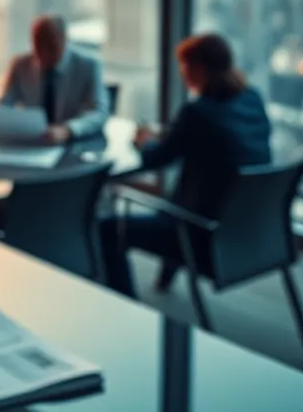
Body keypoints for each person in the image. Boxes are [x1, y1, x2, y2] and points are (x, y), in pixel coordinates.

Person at [99, 33, 272, 297]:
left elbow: (154, 160)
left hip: (200, 235)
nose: (182, 73)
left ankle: (128, 305)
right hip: (247, 232)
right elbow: (212, 140)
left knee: (107, 230)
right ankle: (165, 279)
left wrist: (143, 142)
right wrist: (174, 133)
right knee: (182, 198)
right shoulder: (251, 98)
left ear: (199, 68)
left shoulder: (197, 112)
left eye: (184, 65)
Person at [0, 15, 109, 142]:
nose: (44, 53)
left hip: (73, 145)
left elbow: (99, 113)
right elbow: (3, 107)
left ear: (65, 40)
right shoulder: (19, 65)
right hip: (31, 141)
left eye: (51, 46)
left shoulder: (89, 66)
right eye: (38, 45)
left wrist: (68, 130)